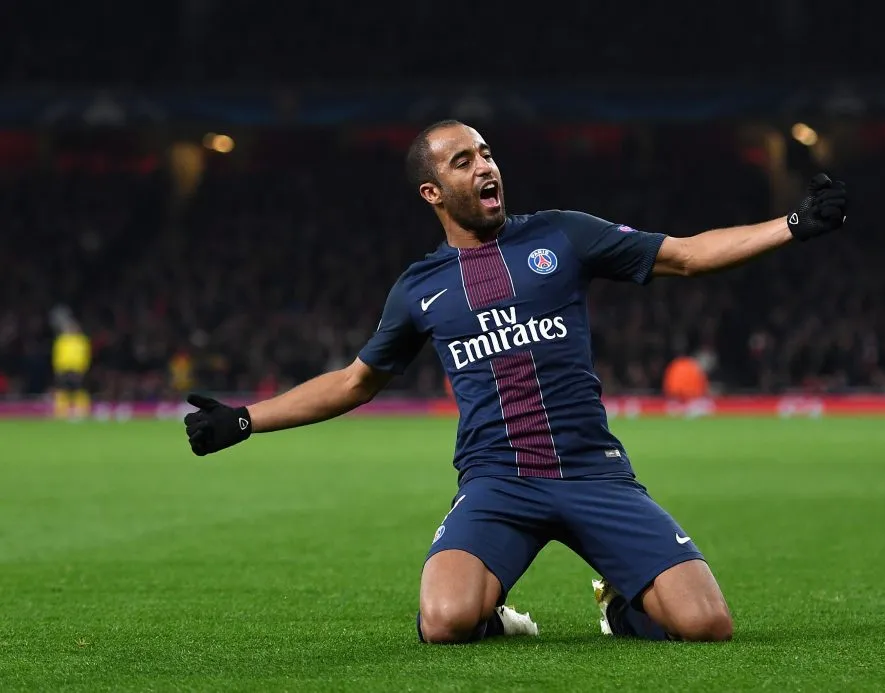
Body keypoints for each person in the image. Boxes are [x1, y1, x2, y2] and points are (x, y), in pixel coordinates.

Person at [183, 120, 848, 644]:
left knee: (707, 625)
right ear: (432, 193)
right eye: (463, 161)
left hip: (592, 469)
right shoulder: (420, 288)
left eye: (487, 153)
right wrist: (245, 419)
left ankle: (621, 610)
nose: (486, 166)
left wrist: (792, 225)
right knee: (443, 620)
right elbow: (356, 381)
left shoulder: (563, 235)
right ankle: (490, 617)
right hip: (497, 479)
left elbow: (684, 254)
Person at [51, 318, 92, 420]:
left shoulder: (81, 340)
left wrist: (83, 367)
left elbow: (85, 355)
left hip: (77, 369)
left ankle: (81, 411)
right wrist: (57, 368)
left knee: (78, 390)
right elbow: (57, 355)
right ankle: (61, 412)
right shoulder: (61, 340)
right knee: (62, 390)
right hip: (64, 369)